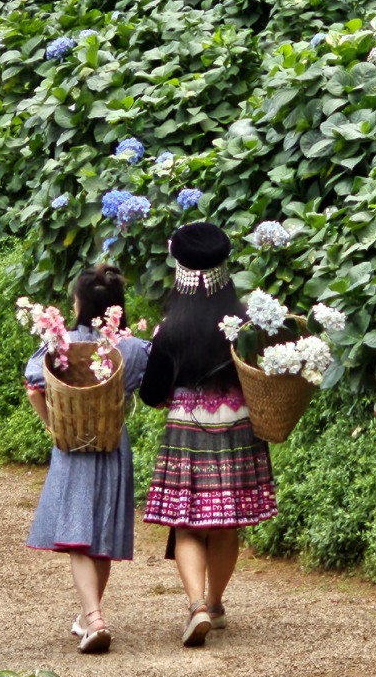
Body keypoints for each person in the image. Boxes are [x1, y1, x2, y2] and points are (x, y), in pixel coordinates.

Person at [140, 222, 276, 647]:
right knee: (225, 522)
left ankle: (196, 603)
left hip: (187, 426)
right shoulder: (243, 322)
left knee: (188, 523)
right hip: (237, 424)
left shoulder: (170, 328)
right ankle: (215, 603)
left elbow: (152, 393)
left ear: (179, 268)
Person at [25, 264, 149, 654]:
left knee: (78, 534)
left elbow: (34, 388)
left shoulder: (60, 346)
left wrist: (54, 428)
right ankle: (89, 617)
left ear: (77, 304)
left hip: (72, 447)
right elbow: (150, 383)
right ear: (117, 308)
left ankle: (93, 618)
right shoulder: (130, 347)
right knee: (102, 533)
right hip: (113, 444)